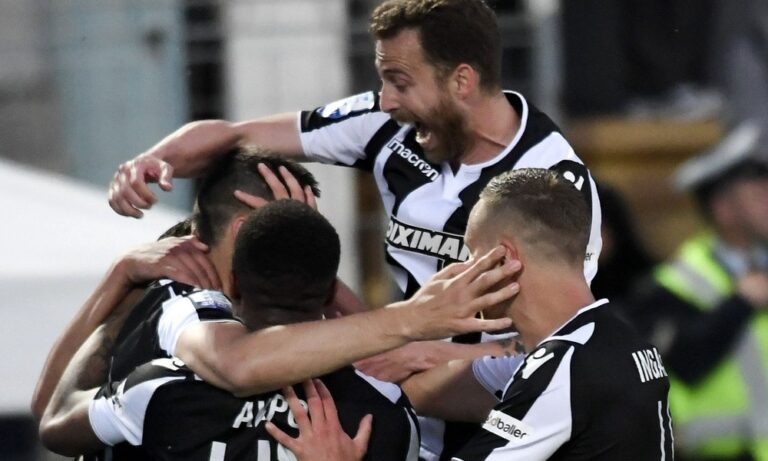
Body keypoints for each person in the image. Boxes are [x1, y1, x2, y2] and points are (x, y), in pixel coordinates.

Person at [106, 1, 602, 457]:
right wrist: (152, 162)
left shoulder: (552, 184)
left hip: (501, 425)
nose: (385, 101)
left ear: (462, 81)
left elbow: (566, 343)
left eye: (400, 82)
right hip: (405, 409)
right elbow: (232, 137)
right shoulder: (389, 128)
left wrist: (424, 349)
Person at [35, 149, 519, 458]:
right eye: (284, 220)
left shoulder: (158, 385)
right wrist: (120, 277)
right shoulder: (172, 298)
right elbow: (238, 362)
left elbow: (53, 417)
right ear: (246, 229)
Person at [39, 200, 421, 460]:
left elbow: (56, 422)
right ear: (329, 293)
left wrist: (129, 294)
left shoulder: (159, 389)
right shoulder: (383, 408)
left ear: (233, 282)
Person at [385, 169, 668, 459]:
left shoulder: (565, 367)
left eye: (471, 254)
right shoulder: (613, 339)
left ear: (505, 258)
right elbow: (418, 394)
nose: (463, 270)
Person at [625, 123, 768, 460]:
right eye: (760, 197)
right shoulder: (671, 286)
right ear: (724, 210)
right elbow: (686, 362)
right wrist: (739, 305)